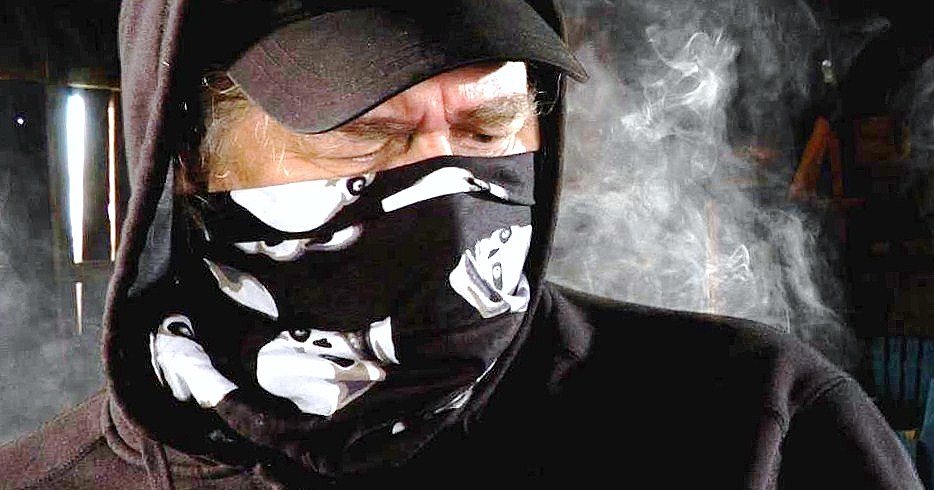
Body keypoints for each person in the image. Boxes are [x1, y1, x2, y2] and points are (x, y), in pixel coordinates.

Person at [0, 1, 924, 488]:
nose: (444, 195)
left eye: (487, 129)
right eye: (363, 135)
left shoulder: (759, 430)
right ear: (189, 159)